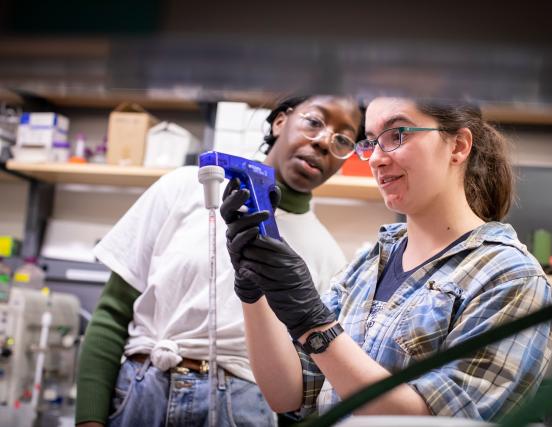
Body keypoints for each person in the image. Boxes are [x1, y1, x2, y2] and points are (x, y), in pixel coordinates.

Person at [223, 97, 552, 422]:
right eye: (370, 142)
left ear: (457, 146)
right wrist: (255, 291)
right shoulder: (366, 266)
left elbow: (435, 422)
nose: (375, 159)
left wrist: (313, 323)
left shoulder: (510, 277)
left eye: (396, 135)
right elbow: (287, 394)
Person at [75, 95, 363, 427]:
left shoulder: (329, 256)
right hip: (143, 390)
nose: (325, 142)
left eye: (344, 139)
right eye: (314, 121)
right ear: (281, 121)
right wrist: (89, 419)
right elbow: (112, 313)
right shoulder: (187, 187)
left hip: (242, 406)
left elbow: (309, 382)